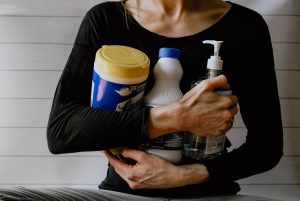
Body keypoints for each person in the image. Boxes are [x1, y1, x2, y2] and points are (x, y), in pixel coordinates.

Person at [0, 0, 283, 200]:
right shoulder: (107, 19)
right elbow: (62, 131)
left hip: (209, 192)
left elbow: (267, 147)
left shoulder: (245, 27)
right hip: (122, 193)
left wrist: (188, 175)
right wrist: (177, 117)